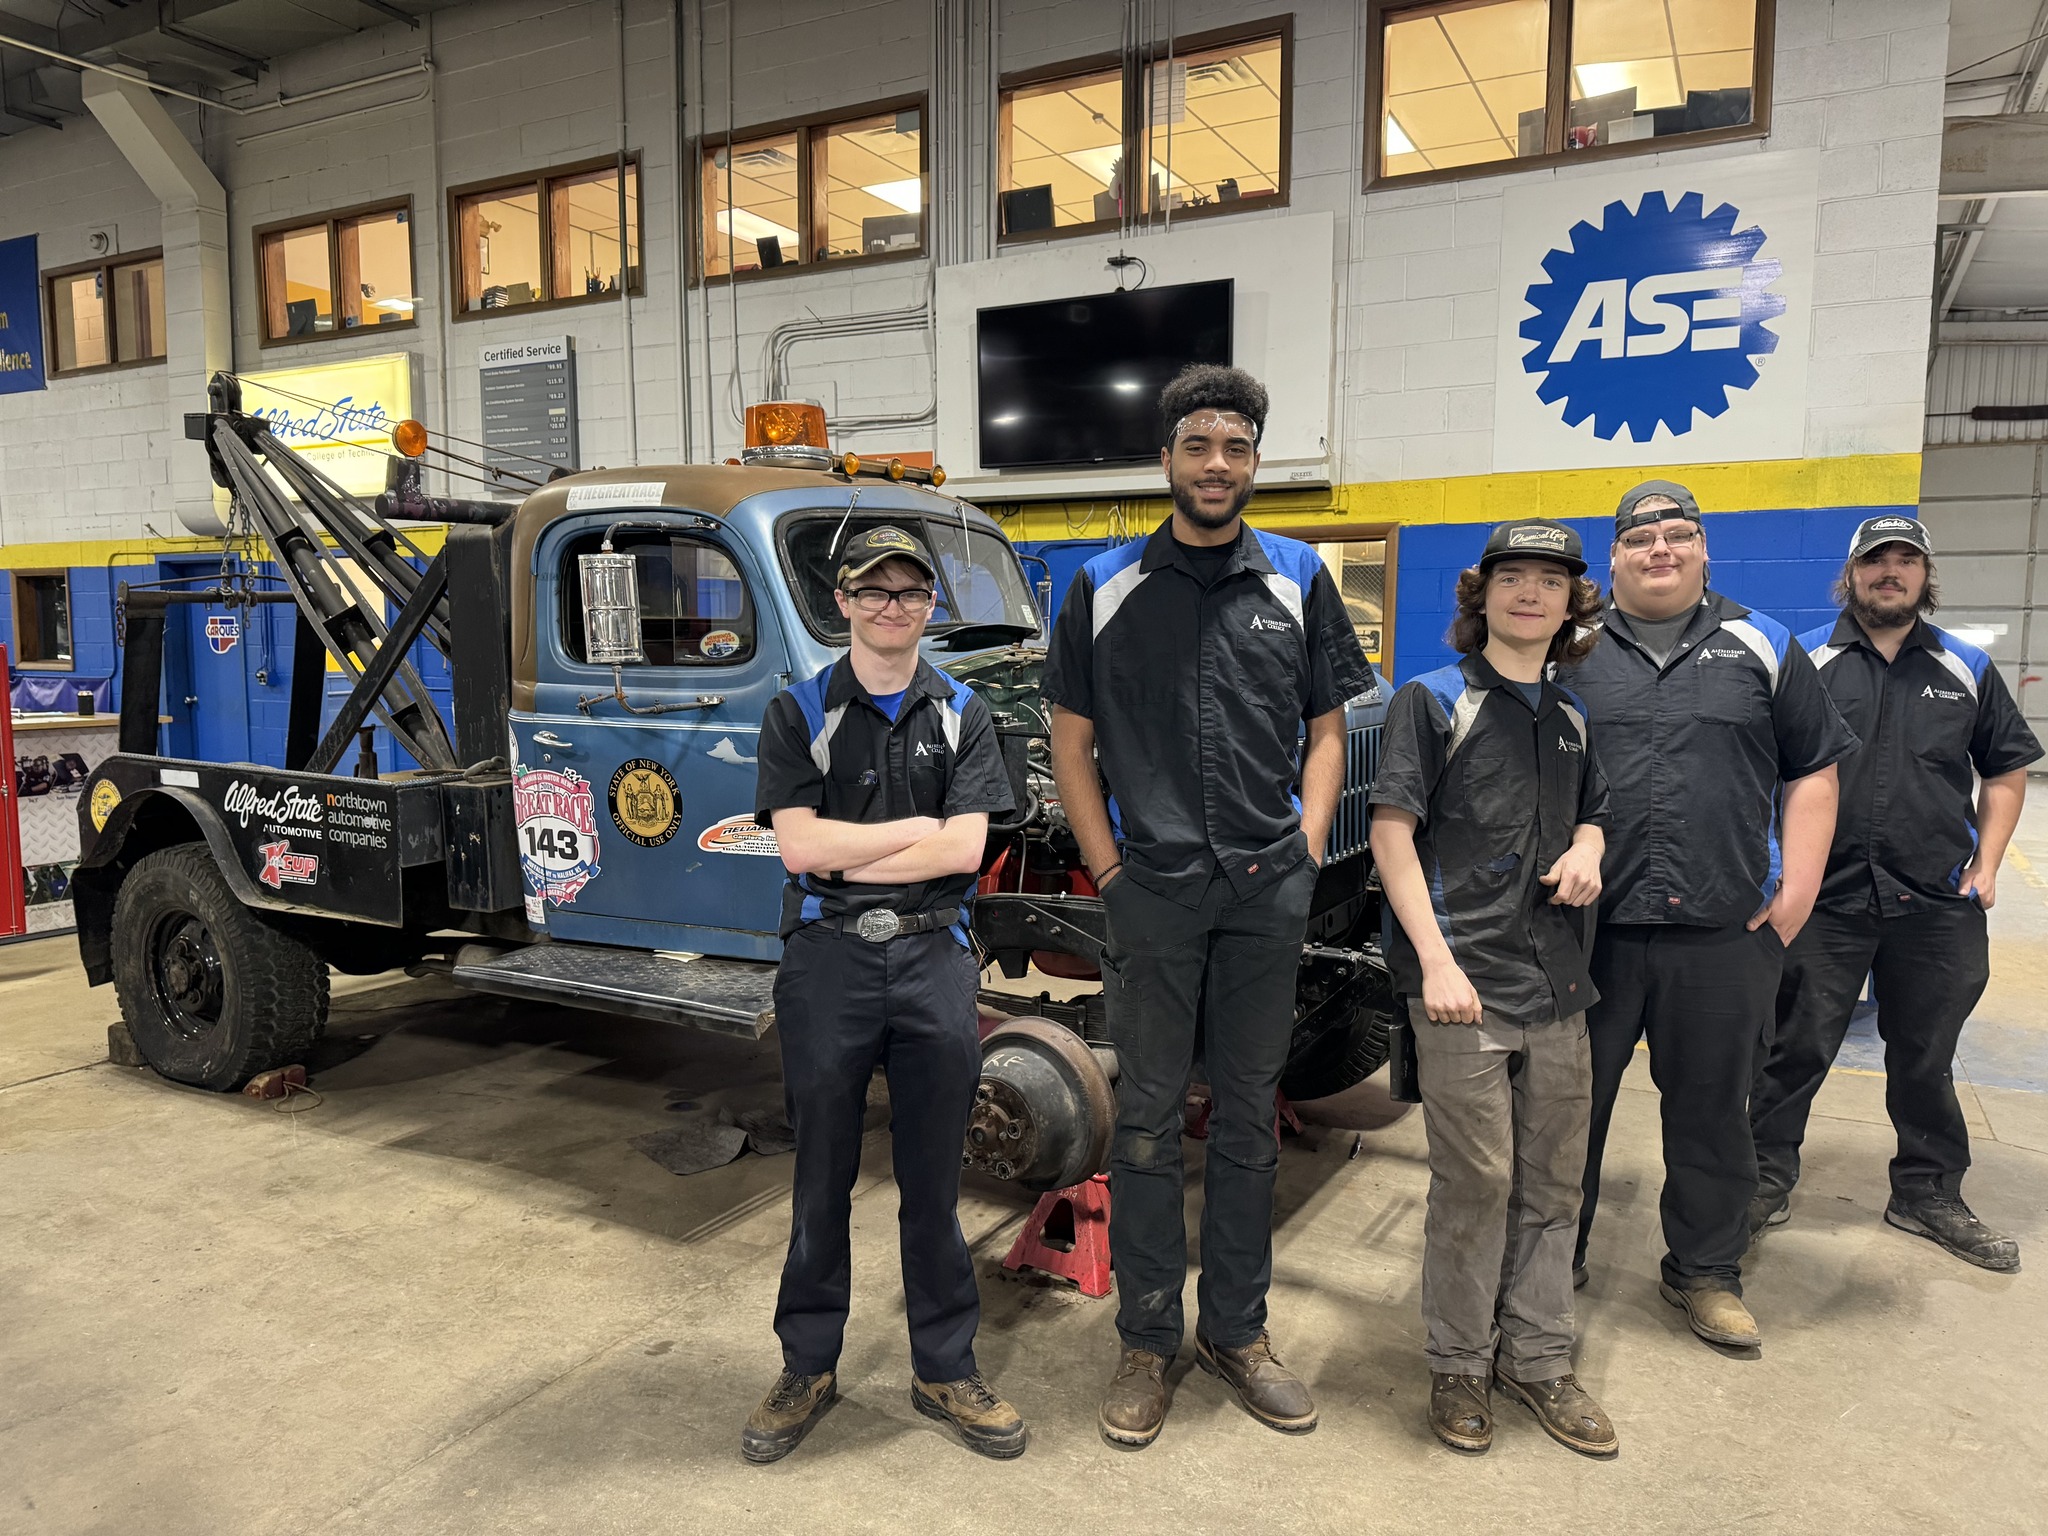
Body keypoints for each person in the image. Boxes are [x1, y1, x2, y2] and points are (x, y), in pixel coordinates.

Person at [1043, 364, 1376, 1448]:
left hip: (1261, 893)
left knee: (1245, 1117)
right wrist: (1104, 868)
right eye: (1198, 446)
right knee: (1141, 1122)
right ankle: (1147, 1339)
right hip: (1151, 895)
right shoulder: (1099, 587)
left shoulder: (1296, 579)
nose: (1217, 465)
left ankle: (1236, 1333)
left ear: (1254, 460)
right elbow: (1068, 742)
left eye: (1235, 447)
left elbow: (1328, 728)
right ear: (1167, 459)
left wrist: (1306, 844)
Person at [746, 525, 1024, 1463]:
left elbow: (964, 852)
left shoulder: (965, 712)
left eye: (910, 592)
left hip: (931, 957)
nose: (891, 606)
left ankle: (944, 1367)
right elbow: (799, 849)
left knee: (934, 1186)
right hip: (827, 962)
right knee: (820, 1175)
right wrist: (913, 828)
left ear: (931, 607)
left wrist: (860, 840)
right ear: (845, 604)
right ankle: (806, 1366)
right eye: (874, 591)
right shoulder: (798, 711)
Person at [1564, 481, 1856, 1352]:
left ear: (1703, 550)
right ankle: (1550, 1258)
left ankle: (1704, 1270)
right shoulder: (1568, 648)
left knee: (1713, 1111)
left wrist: (1798, 890)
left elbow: (1813, 771)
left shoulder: (1763, 644)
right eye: (1641, 536)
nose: (1661, 548)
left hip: (1725, 932)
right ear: (1613, 555)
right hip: (1588, 935)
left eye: (1679, 534)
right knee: (1564, 1109)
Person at [1369, 519, 1618, 1459]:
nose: (1530, 594)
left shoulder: (1573, 714)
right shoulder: (1432, 702)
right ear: (1482, 599)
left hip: (1559, 984)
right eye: (1510, 578)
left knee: (1555, 1184)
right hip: (1463, 983)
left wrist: (1591, 846)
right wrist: (1434, 960)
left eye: (1549, 582)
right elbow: (1394, 834)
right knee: (1476, 1182)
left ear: (1571, 604)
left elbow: (1595, 814)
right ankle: (1461, 1363)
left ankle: (1540, 1360)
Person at [1750, 514, 2040, 1270]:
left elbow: (2005, 768)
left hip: (1937, 902)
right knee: (1793, 1048)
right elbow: (1759, 769)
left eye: (1905, 560)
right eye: (1875, 560)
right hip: (1826, 900)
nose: (1890, 571)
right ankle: (1764, 1177)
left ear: (1925, 576)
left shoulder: (1966, 667)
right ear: (1849, 575)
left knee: (1926, 1054)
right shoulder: (1804, 662)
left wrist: (1989, 862)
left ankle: (1926, 1191)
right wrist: (1777, 871)